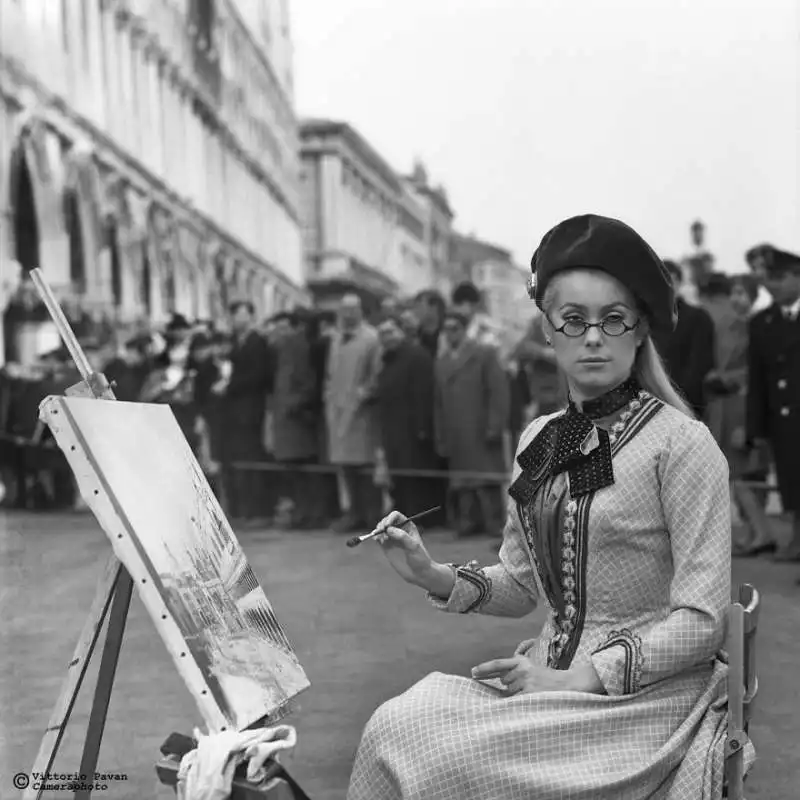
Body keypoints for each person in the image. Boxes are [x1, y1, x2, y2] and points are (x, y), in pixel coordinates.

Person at [347, 214, 748, 800]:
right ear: (548, 330)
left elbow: (702, 620)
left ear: (640, 332)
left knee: (435, 754)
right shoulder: (540, 436)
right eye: (573, 320)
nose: (593, 337)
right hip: (545, 679)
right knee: (396, 722)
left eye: (614, 320)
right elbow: (521, 584)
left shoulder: (682, 445)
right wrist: (428, 572)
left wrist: (577, 677)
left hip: (641, 703)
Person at [746, 246, 800, 567]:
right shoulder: (762, 322)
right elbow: (759, 380)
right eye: (770, 279)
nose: (773, 285)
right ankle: (795, 539)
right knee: (791, 480)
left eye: (780, 278)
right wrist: (757, 427)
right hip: (782, 418)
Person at [434, 310, 509, 537]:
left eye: (454, 328)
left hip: (480, 427)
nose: (450, 334)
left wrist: (495, 425)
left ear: (464, 330)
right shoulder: (441, 362)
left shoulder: (484, 353)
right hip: (456, 429)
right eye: (446, 329)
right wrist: (441, 435)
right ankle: (469, 521)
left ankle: (495, 522)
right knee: (463, 481)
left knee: (487, 479)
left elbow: (499, 391)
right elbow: (437, 403)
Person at [324, 293, 383, 533]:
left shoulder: (371, 338)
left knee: (365, 468)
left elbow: (376, 375)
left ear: (360, 311)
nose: (347, 314)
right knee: (346, 468)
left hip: (361, 414)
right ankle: (354, 513)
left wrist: (362, 395)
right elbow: (330, 374)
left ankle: (373, 516)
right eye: (343, 309)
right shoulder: (336, 338)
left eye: (352, 309)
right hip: (337, 411)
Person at [375, 314, 442, 523]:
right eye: (383, 334)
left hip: (413, 429)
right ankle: (402, 516)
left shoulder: (417, 355)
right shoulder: (388, 358)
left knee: (415, 476)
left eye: (391, 332)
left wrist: (422, 427)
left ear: (401, 332)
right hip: (393, 427)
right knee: (399, 476)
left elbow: (424, 393)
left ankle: (417, 519)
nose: (387, 337)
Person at [214, 301, 275, 525]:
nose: (239, 319)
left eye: (243, 314)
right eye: (235, 314)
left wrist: (229, 386)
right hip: (233, 411)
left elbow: (259, 375)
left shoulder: (257, 342)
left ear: (251, 317)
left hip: (252, 408)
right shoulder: (232, 343)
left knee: (252, 458)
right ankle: (242, 509)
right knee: (237, 459)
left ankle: (259, 510)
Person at [652, 260, 715, 419]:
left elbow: (699, 366)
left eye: (670, 281)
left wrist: (678, 401)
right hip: (649, 404)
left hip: (686, 406)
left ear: (679, 283)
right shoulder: (645, 319)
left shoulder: (698, 317)